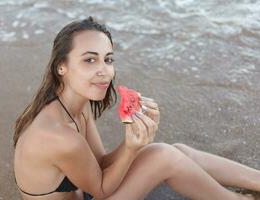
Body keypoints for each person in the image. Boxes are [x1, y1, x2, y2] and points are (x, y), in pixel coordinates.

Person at [13, 16, 260, 200]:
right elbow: (100, 190)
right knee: (162, 156)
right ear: (61, 67)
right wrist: (132, 148)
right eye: (90, 60)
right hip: (95, 193)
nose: (104, 70)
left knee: (178, 150)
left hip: (88, 191)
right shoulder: (59, 135)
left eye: (108, 59)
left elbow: (99, 164)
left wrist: (133, 138)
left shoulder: (76, 106)